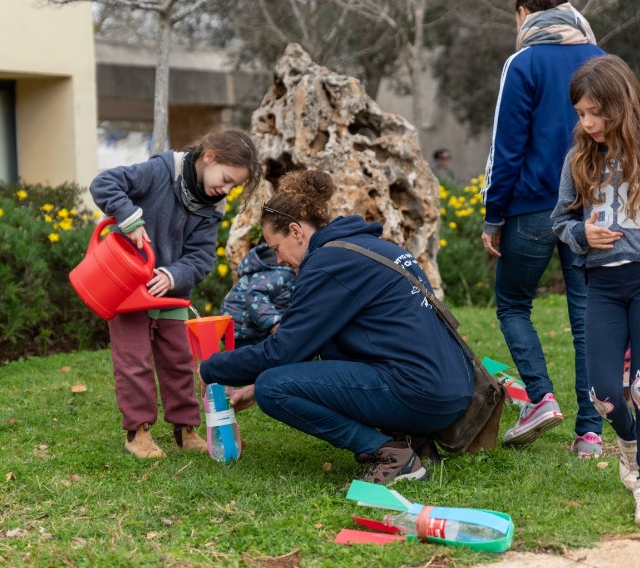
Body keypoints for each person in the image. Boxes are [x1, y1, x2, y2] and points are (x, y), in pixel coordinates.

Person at [199, 170, 474, 484]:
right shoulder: (371, 248)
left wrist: (212, 369)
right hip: (451, 390)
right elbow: (314, 340)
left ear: (295, 231)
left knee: (272, 387)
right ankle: (414, 437)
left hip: (421, 392)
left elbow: (281, 351)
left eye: (276, 248)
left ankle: (392, 455)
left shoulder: (328, 264)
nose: (279, 260)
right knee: (277, 380)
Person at [480, 0, 605, 455]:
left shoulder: (523, 62)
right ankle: (590, 433)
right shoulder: (603, 59)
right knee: (586, 318)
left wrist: (493, 216)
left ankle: (540, 399)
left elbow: (505, 148)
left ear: (524, 13)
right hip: (592, 211)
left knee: (513, 304)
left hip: (531, 208)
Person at [90, 129, 262, 459]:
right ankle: (136, 433)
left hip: (170, 292)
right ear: (209, 156)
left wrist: (174, 275)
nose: (225, 189)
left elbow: (201, 257)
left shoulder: (212, 207)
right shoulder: (160, 171)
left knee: (179, 361)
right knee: (134, 361)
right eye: (225, 179)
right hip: (127, 287)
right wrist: (128, 217)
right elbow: (104, 184)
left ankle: (185, 429)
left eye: (232, 186)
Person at [551, 55, 640, 524]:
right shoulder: (579, 159)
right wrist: (581, 236)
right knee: (603, 394)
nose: (588, 122)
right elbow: (560, 220)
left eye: (597, 111)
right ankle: (630, 444)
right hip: (602, 285)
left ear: (622, 104)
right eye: (581, 113)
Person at [220, 242, 296, 346]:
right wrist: (274, 324)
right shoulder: (279, 273)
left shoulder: (277, 270)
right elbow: (255, 296)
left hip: (245, 330)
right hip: (243, 332)